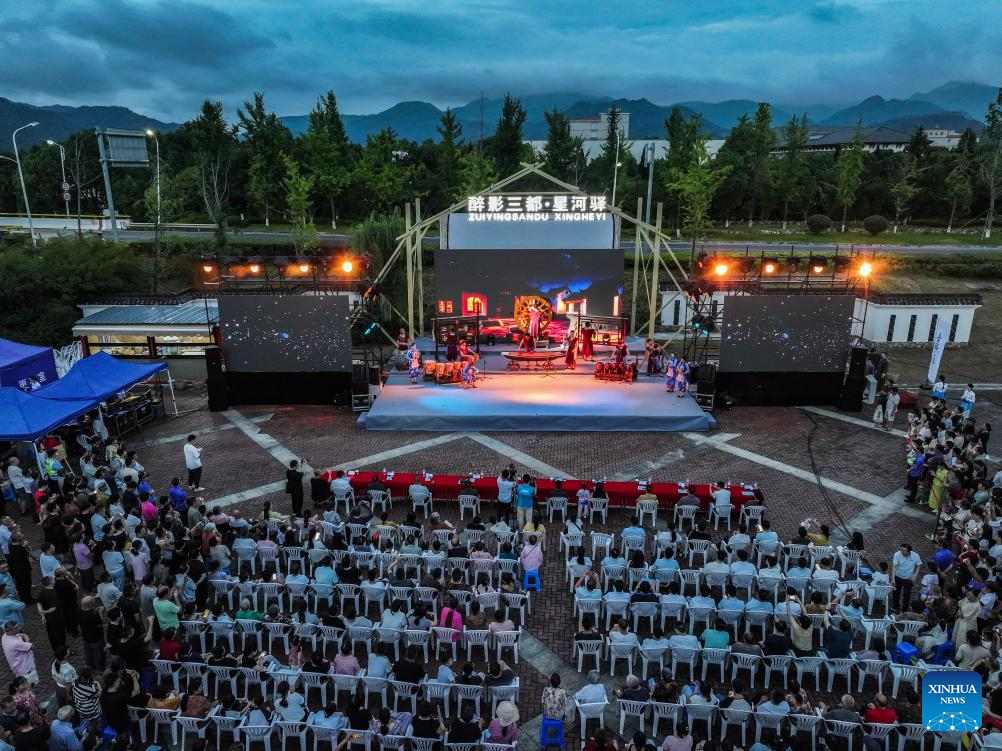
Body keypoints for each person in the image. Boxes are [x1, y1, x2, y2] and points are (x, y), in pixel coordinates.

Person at [891, 543, 922, 612]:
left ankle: (904, 610)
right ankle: (896, 605)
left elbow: (918, 565)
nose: (901, 552)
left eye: (904, 551)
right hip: (898, 577)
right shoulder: (897, 554)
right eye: (901, 550)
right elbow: (894, 566)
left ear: (909, 551)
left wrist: (915, 575)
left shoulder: (915, 556)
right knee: (895, 592)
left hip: (909, 579)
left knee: (907, 595)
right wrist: (893, 579)